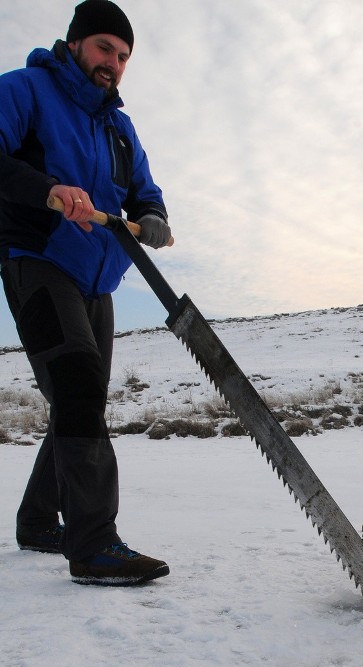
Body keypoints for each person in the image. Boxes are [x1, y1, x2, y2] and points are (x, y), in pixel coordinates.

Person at [0, 1, 173, 586]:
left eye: (123, 56)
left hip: (99, 283)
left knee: (80, 405)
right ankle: (94, 543)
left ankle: (37, 521)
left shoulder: (119, 128)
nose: (114, 63)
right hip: (38, 262)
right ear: (74, 44)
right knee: (75, 387)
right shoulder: (24, 90)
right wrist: (51, 189)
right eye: (104, 48)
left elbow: (146, 192)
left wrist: (151, 217)